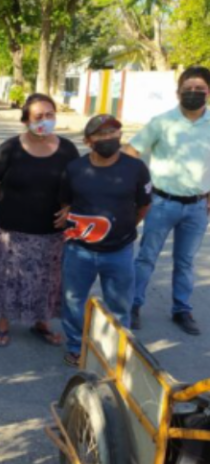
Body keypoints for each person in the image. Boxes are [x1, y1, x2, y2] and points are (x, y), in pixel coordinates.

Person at [0, 94, 80, 347]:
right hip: (13, 229)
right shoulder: (11, 148)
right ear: (26, 120)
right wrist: (12, 199)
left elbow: (78, 185)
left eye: (49, 115)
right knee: (11, 277)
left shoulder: (68, 149)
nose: (44, 121)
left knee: (47, 280)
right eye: (38, 116)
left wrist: (69, 209)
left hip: (52, 231)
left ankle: (41, 323)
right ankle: (4, 322)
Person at [58, 114, 152, 367]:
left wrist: (123, 228)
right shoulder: (75, 169)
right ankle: (77, 346)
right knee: (73, 300)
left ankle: (116, 352)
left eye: (114, 133)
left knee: (120, 307)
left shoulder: (135, 168)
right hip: (79, 251)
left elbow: (143, 206)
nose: (109, 138)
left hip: (119, 251)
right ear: (89, 141)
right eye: (101, 134)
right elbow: (66, 203)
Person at [125, 66, 210, 335]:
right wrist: (133, 189)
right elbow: (131, 152)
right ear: (178, 93)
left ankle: (181, 309)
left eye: (200, 90)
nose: (194, 94)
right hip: (162, 204)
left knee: (185, 261)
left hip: (197, 207)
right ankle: (133, 306)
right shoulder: (162, 121)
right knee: (146, 258)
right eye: (188, 90)